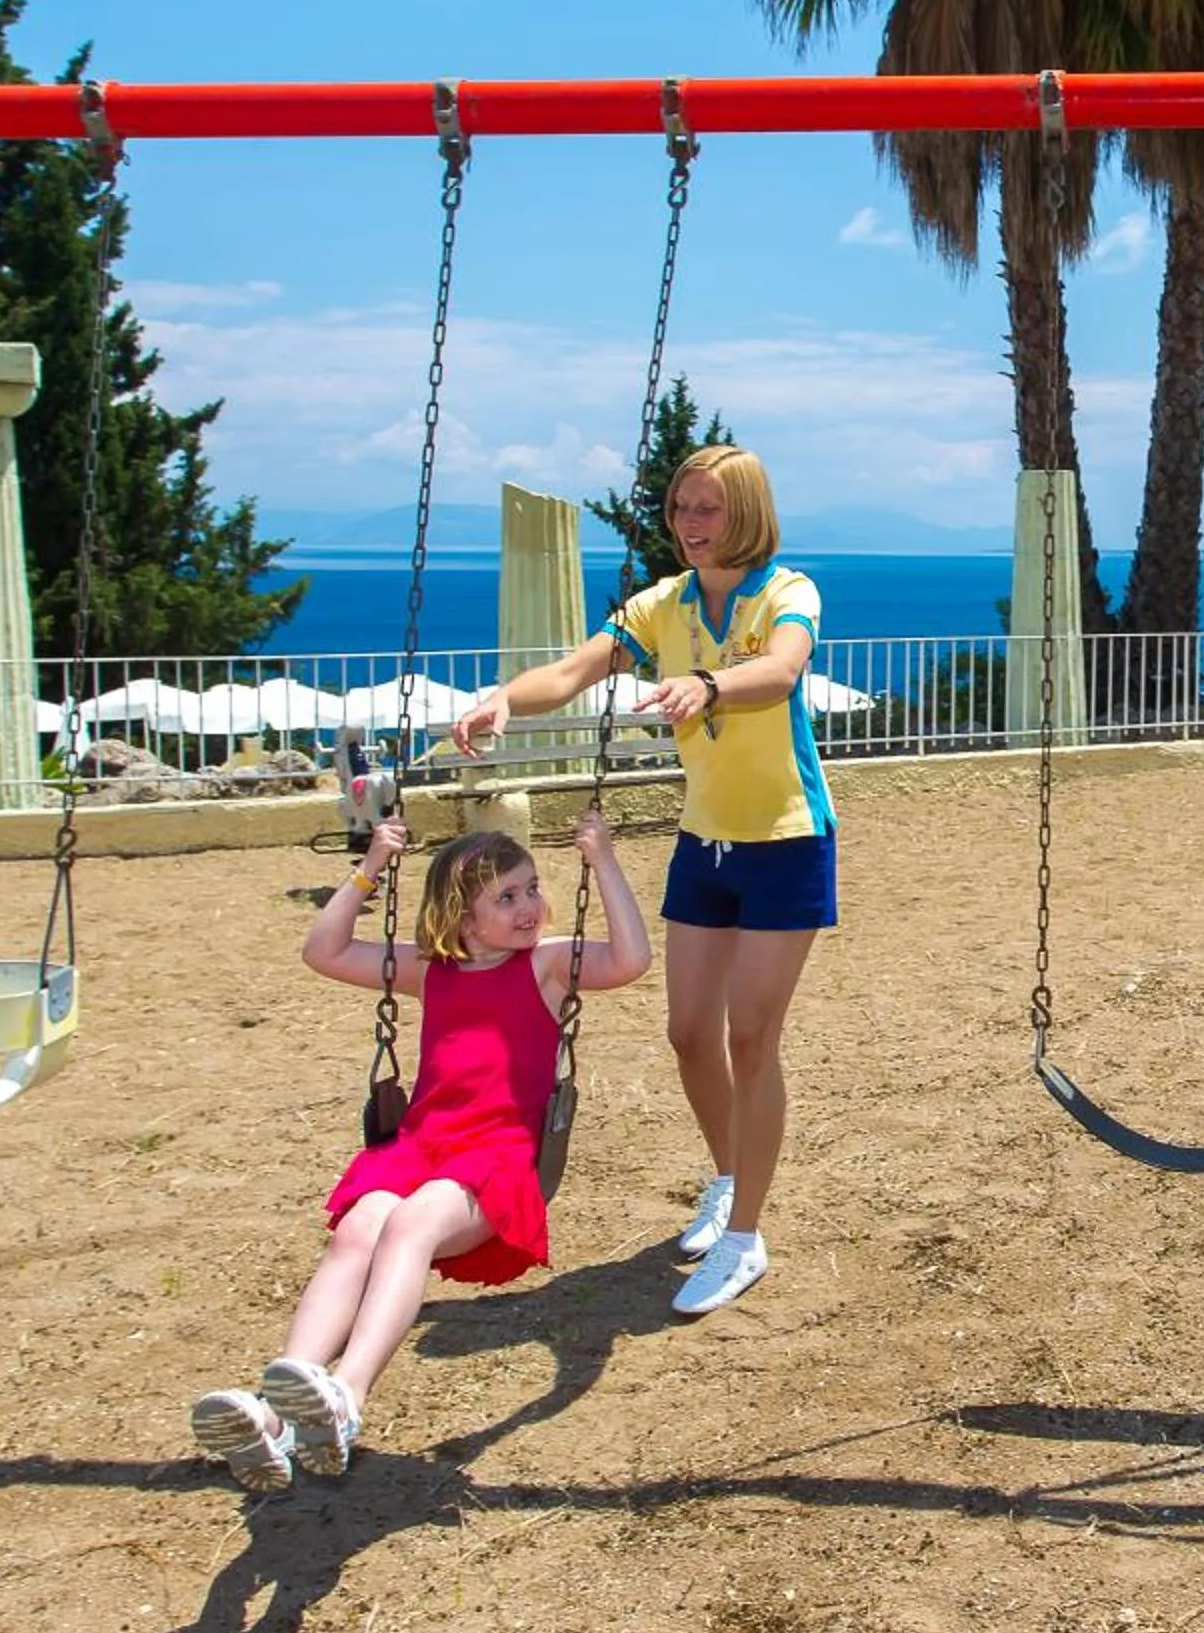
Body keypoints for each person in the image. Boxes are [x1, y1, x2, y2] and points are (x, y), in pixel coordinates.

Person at [453, 443, 834, 1317]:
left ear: (746, 512)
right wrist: (506, 698)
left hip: (786, 840)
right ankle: (729, 1180)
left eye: (707, 508)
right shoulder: (663, 604)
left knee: (751, 1037)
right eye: (679, 509)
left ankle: (745, 1237)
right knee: (690, 1033)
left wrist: (707, 684)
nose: (689, 525)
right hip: (705, 842)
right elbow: (572, 670)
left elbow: (780, 671)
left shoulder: (788, 592)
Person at [186, 810, 650, 1492]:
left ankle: (346, 1395)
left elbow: (631, 960)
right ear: (463, 919)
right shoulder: (432, 970)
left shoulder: (547, 965)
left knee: (409, 1225)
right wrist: (370, 867)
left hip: (496, 1159)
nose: (529, 906)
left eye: (531, 889)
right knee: (357, 1232)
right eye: (507, 897)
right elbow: (323, 951)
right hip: (421, 1147)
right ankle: (278, 1412)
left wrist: (603, 861)